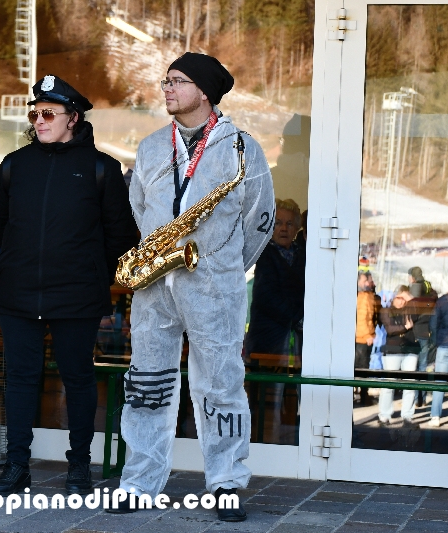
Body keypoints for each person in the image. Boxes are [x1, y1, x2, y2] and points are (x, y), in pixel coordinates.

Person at [110, 53, 274, 522]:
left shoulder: (243, 149)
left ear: (203, 91)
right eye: (166, 80)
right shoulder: (149, 147)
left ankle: (226, 482)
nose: (167, 88)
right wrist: (160, 258)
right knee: (147, 384)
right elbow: (139, 207)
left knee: (222, 384)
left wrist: (222, 268)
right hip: (155, 284)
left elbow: (259, 222)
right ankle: (139, 481)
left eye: (177, 81)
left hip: (215, 287)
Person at [0, 75, 138, 496]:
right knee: (20, 379)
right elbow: (0, 224)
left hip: (77, 294)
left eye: (49, 114)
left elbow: (120, 236)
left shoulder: (101, 168)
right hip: (18, 291)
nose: (39, 120)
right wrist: (23, 260)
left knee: (78, 378)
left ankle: (79, 467)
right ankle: (16, 466)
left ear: (73, 118)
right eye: (35, 113)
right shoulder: (14, 164)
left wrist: (86, 268)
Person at [246, 198, 306, 358]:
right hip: (268, 341)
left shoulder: (303, 254)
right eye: (278, 223)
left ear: (297, 228)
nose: (284, 229)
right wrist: (298, 317)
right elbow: (267, 296)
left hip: (296, 342)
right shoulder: (263, 254)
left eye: (289, 224)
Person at [378, 289, 420, 427]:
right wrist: (405, 327)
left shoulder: (410, 311)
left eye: (404, 298)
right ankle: (384, 416)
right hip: (393, 351)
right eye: (399, 298)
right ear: (393, 298)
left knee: (410, 384)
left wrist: (411, 299)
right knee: (389, 384)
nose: (401, 301)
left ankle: (407, 416)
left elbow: (418, 312)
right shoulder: (386, 311)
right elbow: (390, 329)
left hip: (410, 350)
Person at [407, 266, 437, 407]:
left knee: (413, 366)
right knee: (423, 366)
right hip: (426, 332)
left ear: (412, 277)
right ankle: (422, 398)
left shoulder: (414, 291)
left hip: (415, 332)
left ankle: (413, 399)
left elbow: (413, 315)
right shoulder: (430, 291)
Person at [355, 272, 381, 405]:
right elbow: (363, 317)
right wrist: (368, 335)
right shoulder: (365, 296)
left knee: (358, 368)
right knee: (363, 368)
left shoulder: (362, 295)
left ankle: (360, 395)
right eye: (365, 280)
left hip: (359, 337)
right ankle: (364, 397)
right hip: (363, 338)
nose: (368, 283)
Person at [428, 287, 448, 427]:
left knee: (440, 382)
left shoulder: (443, 301)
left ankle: (435, 416)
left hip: (445, 345)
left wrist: (436, 341)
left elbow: (433, 323)